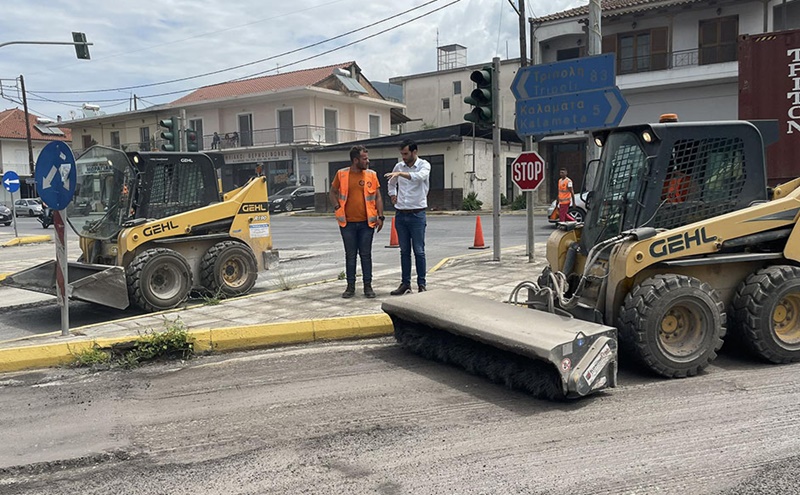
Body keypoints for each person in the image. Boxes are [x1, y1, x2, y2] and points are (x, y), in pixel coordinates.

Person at [330, 145, 385, 298]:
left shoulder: (372, 175)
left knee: (366, 255)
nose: (367, 161)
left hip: (367, 223)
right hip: (347, 223)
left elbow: (378, 197)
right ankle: (350, 287)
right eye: (364, 158)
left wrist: (381, 216)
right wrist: (336, 206)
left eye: (367, 158)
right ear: (355, 160)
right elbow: (332, 192)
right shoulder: (341, 174)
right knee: (350, 255)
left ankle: (368, 286)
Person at [385, 139, 431, 295]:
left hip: (417, 214)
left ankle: (421, 284)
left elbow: (419, 177)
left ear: (414, 152)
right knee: (404, 251)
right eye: (402, 154)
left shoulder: (424, 165)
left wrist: (400, 174)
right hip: (401, 214)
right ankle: (405, 284)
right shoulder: (398, 166)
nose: (403, 157)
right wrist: (393, 194)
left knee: (419, 251)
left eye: (406, 153)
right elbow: (391, 183)